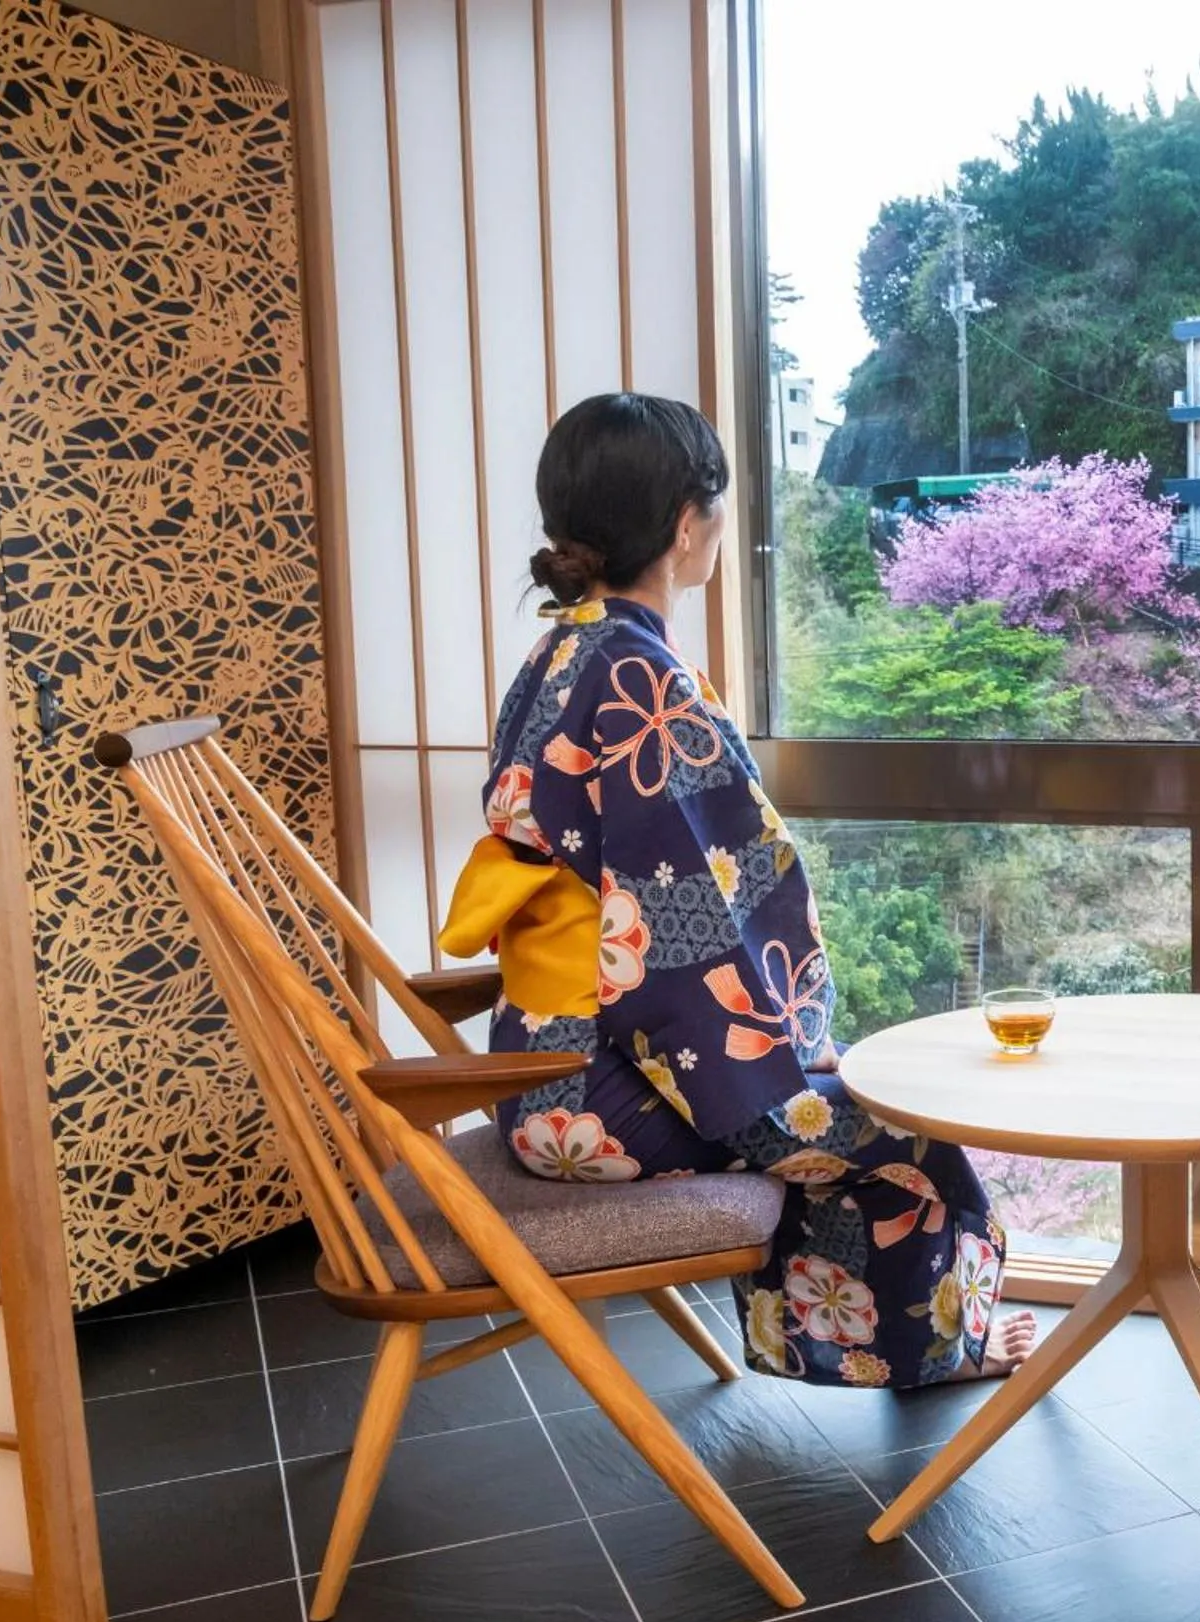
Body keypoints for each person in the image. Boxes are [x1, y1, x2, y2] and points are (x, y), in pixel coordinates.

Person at [440, 393, 1036, 1388]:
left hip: (536, 1070)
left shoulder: (558, 653)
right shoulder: (641, 679)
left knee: (827, 1091)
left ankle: (864, 1338)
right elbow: (682, 928)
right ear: (686, 524)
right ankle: (936, 1348)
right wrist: (786, 1066)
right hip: (605, 1093)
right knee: (907, 1131)